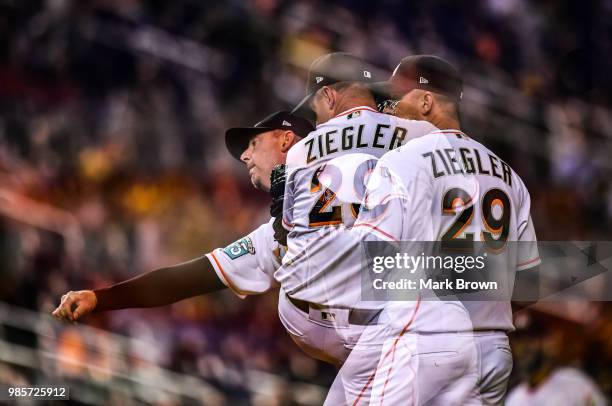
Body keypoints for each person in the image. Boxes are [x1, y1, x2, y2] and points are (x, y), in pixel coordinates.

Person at [276, 53, 482, 404]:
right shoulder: (423, 133)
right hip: (401, 304)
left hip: (317, 310)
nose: (317, 118)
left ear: (328, 97)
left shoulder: (299, 152)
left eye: (316, 109)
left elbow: (286, 235)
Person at [354, 54, 541, 404]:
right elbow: (528, 287)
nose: (388, 112)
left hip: (426, 343)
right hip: (492, 351)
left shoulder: (401, 161)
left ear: (426, 101)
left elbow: (373, 263)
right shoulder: (509, 175)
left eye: (395, 101)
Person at [52, 110, 312, 323]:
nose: (244, 156)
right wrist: (99, 299)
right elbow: (183, 280)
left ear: (286, 140)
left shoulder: (341, 192)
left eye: (254, 143)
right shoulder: (271, 239)